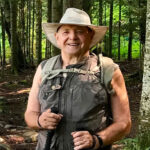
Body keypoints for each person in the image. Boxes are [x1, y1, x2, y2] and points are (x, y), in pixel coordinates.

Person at [24, 8, 131, 150]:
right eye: (66, 32)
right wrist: (39, 121)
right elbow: (30, 114)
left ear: (90, 35)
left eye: (80, 31)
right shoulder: (45, 68)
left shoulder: (108, 69)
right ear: (57, 37)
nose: (72, 37)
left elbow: (124, 123)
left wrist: (96, 140)